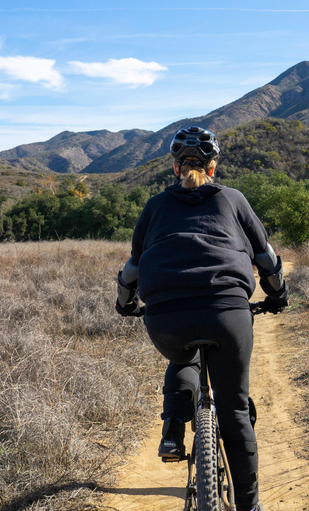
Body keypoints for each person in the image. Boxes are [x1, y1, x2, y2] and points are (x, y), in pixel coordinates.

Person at [115, 126, 288, 511]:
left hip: (166, 318)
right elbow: (266, 258)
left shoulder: (155, 206)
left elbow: (132, 268)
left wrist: (125, 304)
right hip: (228, 312)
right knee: (235, 410)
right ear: (212, 167)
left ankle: (173, 429)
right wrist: (278, 295)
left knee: (183, 356)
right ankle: (250, 507)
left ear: (176, 169)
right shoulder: (233, 199)